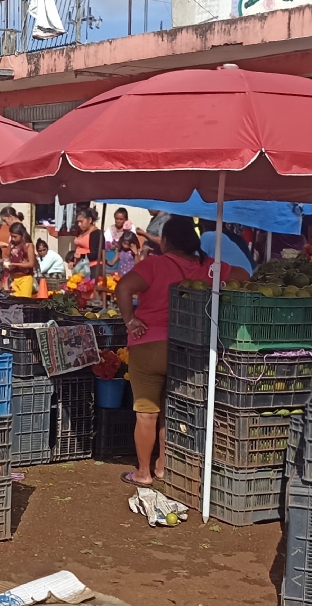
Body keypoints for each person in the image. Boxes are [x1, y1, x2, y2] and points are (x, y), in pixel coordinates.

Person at [114, 216, 250, 487]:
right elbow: (244, 277)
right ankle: (163, 466)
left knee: (146, 412)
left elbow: (123, 287)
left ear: (165, 241)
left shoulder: (155, 264)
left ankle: (143, 472)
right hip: (187, 348)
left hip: (147, 344)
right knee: (171, 410)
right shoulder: (210, 267)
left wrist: (130, 320)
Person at [72, 205, 105, 278]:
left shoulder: (97, 234)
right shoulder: (80, 232)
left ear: (89, 220)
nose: (79, 224)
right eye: (78, 222)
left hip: (92, 268)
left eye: (81, 221)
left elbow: (97, 253)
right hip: (79, 267)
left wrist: (82, 256)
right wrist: (72, 260)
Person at [6, 223, 37, 297]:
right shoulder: (12, 243)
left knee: (24, 302)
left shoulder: (28, 245)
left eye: (15, 237)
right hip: (14, 278)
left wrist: (15, 264)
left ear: (21, 234)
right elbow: (7, 255)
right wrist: (4, 260)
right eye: (11, 236)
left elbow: (31, 264)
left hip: (25, 279)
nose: (12, 239)